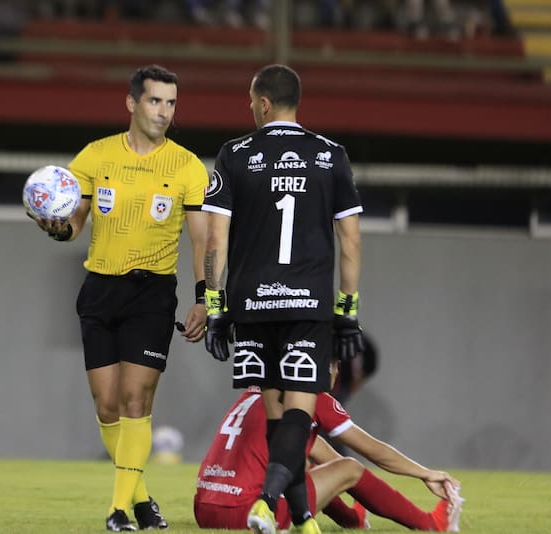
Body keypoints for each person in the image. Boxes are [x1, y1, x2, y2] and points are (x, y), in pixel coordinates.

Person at [27, 64, 209, 532]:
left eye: (171, 103)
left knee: (135, 399)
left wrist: (204, 296)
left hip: (152, 293)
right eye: (155, 101)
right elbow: (74, 224)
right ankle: (142, 501)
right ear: (132, 103)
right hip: (99, 290)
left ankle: (118, 510)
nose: (164, 112)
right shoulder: (95, 156)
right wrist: (56, 228)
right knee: (107, 406)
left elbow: (202, 239)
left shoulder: (187, 166)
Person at [201, 63, 364, 534]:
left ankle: (305, 521)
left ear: (264, 103)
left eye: (252, 102)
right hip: (307, 304)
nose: (250, 108)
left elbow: (215, 241)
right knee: (299, 414)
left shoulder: (234, 154)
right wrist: (347, 312)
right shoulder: (330, 155)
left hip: (251, 304)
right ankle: (266, 502)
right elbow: (351, 240)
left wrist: (215, 308)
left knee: (276, 417)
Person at [194, 357, 463, 532]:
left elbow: (329, 464)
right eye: (335, 366)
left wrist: (353, 498)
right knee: (350, 467)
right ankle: (431, 524)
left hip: (205, 510)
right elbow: (373, 452)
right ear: (329, 368)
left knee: (304, 467)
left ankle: (353, 520)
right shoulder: (313, 397)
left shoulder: (257, 393)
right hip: (245, 513)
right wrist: (426, 473)